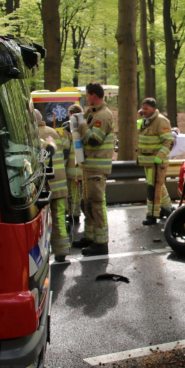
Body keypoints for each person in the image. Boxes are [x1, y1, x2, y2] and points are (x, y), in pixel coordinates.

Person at [73, 82, 115, 256]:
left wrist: (81, 125)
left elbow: (93, 140)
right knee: (87, 203)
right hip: (88, 167)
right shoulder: (93, 113)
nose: (86, 98)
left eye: (87, 95)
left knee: (96, 205)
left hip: (96, 168)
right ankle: (90, 237)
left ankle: (101, 243)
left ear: (93, 96)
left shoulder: (103, 116)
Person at [35, 110, 71, 262]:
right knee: (59, 218)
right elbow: (65, 152)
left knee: (44, 220)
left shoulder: (34, 134)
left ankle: (44, 253)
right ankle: (62, 251)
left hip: (46, 185)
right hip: (61, 182)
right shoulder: (53, 132)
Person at [136, 98, 174, 225]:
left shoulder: (161, 121)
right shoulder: (146, 121)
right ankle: (167, 209)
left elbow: (168, 141)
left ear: (153, 108)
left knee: (153, 188)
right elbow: (140, 133)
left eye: (146, 108)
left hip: (156, 162)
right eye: (143, 108)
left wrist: (160, 156)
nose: (143, 111)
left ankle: (152, 215)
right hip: (148, 161)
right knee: (158, 185)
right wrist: (139, 119)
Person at [64, 104, 84, 224]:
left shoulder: (68, 128)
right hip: (84, 165)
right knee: (84, 193)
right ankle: (86, 215)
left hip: (72, 166)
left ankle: (74, 214)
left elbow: (66, 148)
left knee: (74, 192)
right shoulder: (85, 126)